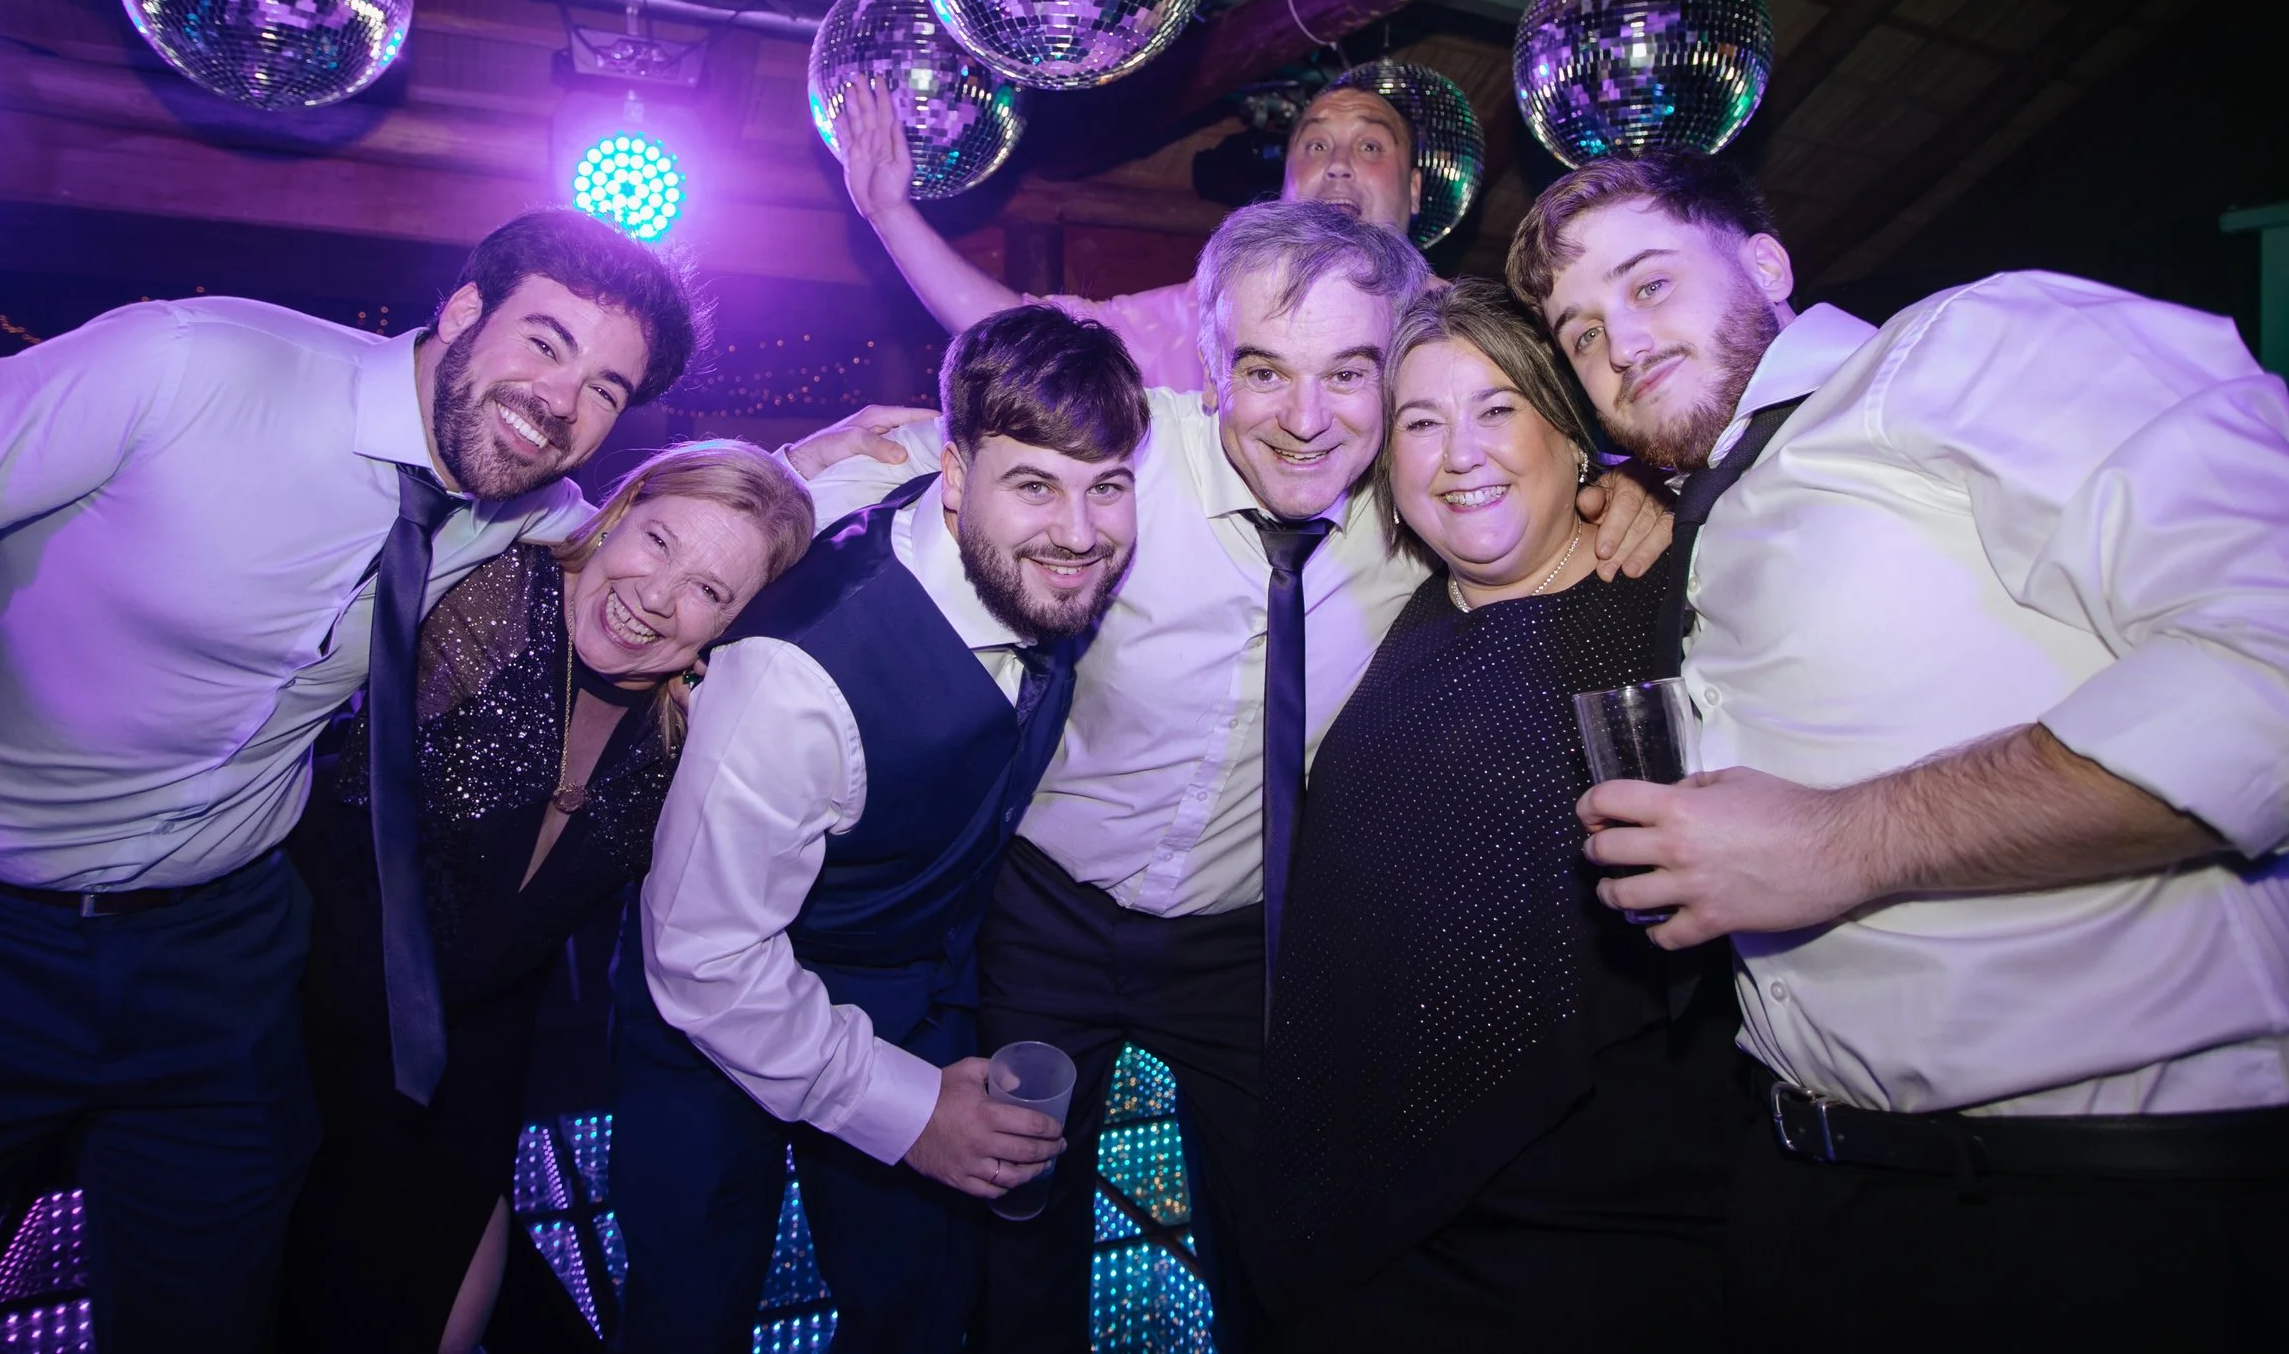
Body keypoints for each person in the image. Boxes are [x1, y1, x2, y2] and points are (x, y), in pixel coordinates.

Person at [0, 209, 700, 1354]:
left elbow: (683, 534)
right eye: (545, 341)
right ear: (465, 308)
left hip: (217, 954)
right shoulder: (191, 365)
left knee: (218, 1306)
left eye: (606, 388)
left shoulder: (526, 509)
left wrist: (840, 462)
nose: (560, 401)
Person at [792, 202, 1673, 1353]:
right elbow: (889, 474)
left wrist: (1633, 482)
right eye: (1263, 369)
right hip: (1043, 915)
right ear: (1209, 369)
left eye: (1348, 373)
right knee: (1017, 1222)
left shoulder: (1420, 504)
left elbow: (1529, 472)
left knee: (1278, 1230)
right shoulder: (1122, 461)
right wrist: (735, 514)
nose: (1305, 420)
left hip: (1249, 937)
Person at [1511, 150, 2289, 1349]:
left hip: (2112, 1208)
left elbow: (2266, 657)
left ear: (1765, 262)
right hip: (1812, 1201)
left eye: (1649, 282)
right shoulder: (1703, 520)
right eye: (1580, 332)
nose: (1619, 340)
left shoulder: (1972, 344)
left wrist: (1842, 840)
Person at [612, 306, 1150, 1353]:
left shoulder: (1025, 554)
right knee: (689, 1310)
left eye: (1108, 486)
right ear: (955, 477)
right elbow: (705, 958)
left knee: (918, 1310)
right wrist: (906, 1110)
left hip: (914, 992)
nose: (1079, 532)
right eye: (1034, 485)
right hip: (712, 1016)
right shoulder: (794, 674)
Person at [1257, 280, 1746, 1349]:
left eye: (1495, 409)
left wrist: (1651, 485)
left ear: (1572, 438)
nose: (1459, 454)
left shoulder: (1675, 607)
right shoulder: (1396, 616)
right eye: (1420, 423)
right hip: (1373, 1209)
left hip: (1602, 1219)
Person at [277, 441, 814, 1354]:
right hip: (300, 1027)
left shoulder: (695, 731)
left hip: (473, 1061)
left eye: (708, 591)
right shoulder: (487, 594)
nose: (656, 595)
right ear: (617, 512)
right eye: (657, 540)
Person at [834, 71, 1428, 389]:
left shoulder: (1462, 327)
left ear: (1415, 189)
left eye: (1370, 146)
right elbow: (1021, 333)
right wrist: (891, 213)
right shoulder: (1209, 316)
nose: (1338, 163)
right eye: (1316, 145)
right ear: (1286, 188)